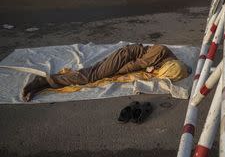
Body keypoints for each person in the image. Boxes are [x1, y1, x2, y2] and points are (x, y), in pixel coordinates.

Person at [22, 44, 187, 102]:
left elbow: (183, 70)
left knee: (96, 74)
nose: (161, 74)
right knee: (93, 76)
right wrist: (111, 73)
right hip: (125, 56)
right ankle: (44, 81)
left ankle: (49, 81)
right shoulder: (160, 52)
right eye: (164, 72)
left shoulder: (173, 64)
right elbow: (133, 66)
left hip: (129, 59)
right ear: (168, 64)